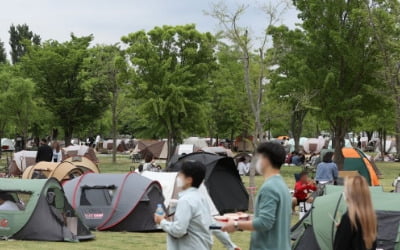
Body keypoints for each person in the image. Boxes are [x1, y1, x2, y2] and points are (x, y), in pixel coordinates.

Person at [221, 142, 291, 250]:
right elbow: (272, 218)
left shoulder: (270, 188)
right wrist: (247, 218)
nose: (256, 161)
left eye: (258, 157)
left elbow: (264, 223)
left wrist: (236, 224)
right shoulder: (281, 185)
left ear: (266, 159)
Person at [154, 161, 213, 250]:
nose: (178, 177)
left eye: (180, 175)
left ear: (189, 180)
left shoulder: (185, 201)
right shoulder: (202, 198)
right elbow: (211, 223)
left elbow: (179, 230)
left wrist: (161, 221)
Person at [334, 176, 377, 250]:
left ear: (350, 194)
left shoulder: (349, 218)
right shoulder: (372, 218)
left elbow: (339, 246)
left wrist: (341, 231)